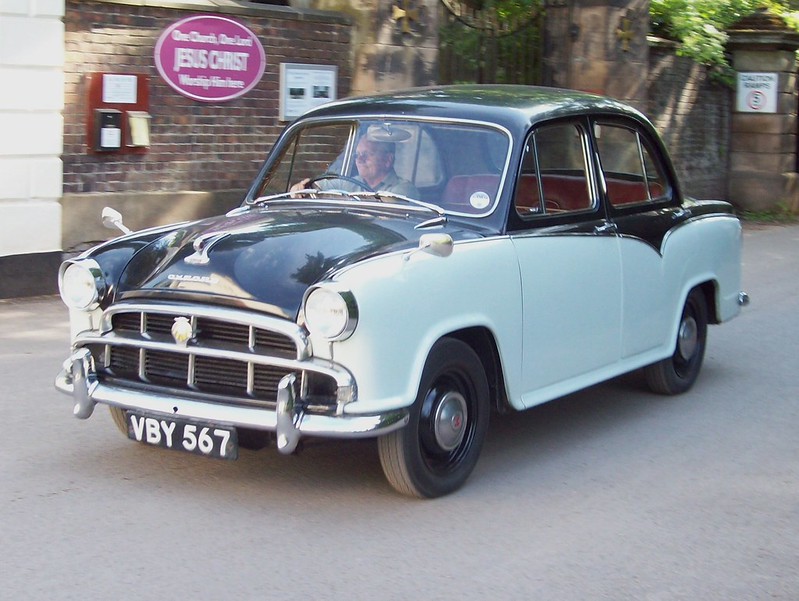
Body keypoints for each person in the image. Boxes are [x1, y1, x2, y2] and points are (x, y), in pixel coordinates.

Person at [291, 137, 419, 198]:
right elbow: (317, 188)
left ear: (387, 160)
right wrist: (301, 189)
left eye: (367, 154)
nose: (359, 159)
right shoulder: (350, 183)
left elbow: (386, 210)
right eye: (357, 154)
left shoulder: (404, 189)